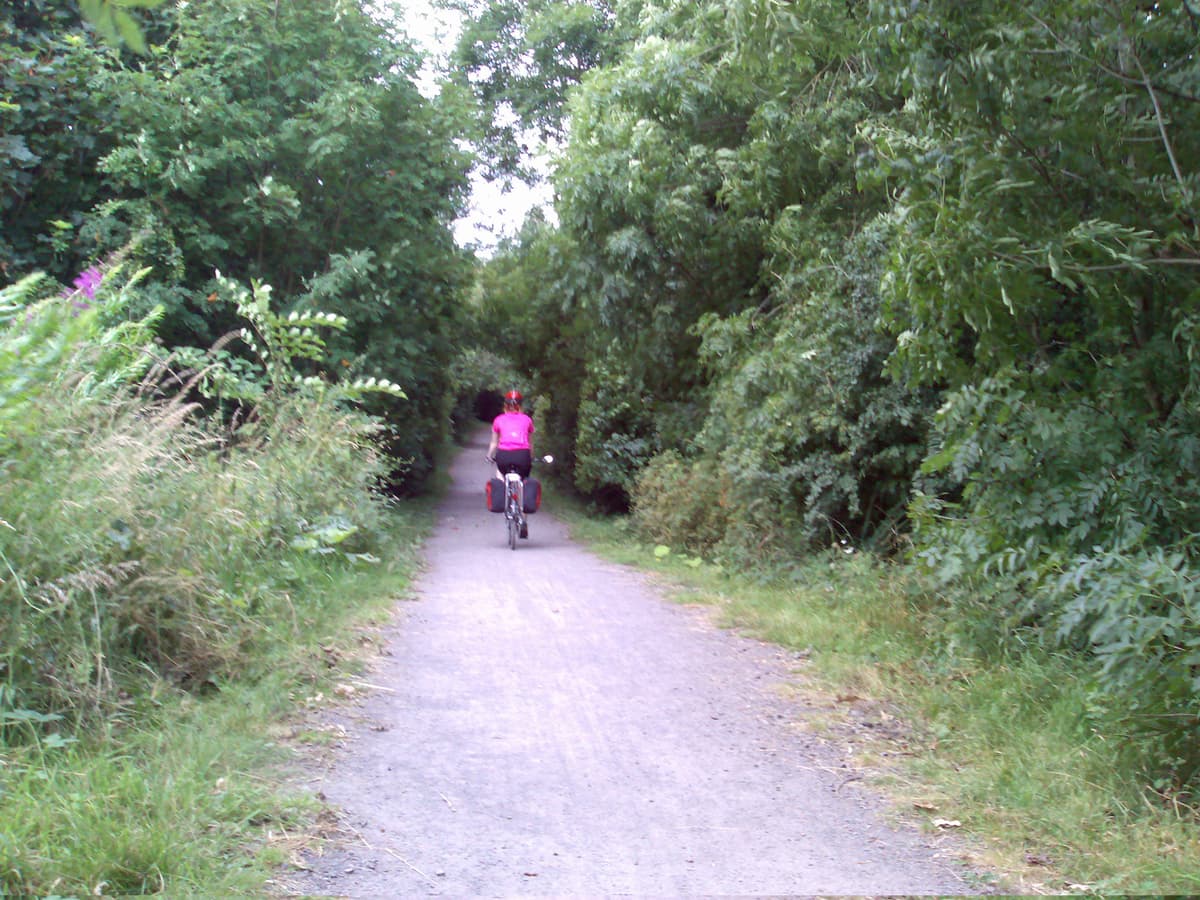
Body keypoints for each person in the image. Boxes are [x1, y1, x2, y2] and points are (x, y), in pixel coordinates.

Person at [487, 389, 534, 481]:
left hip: (504, 455)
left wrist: (489, 456)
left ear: (505, 405)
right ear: (520, 405)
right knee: (524, 478)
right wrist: (531, 457)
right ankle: (522, 492)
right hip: (523, 455)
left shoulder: (498, 419)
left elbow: (494, 444)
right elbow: (530, 444)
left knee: (500, 474)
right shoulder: (527, 420)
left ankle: (501, 490)